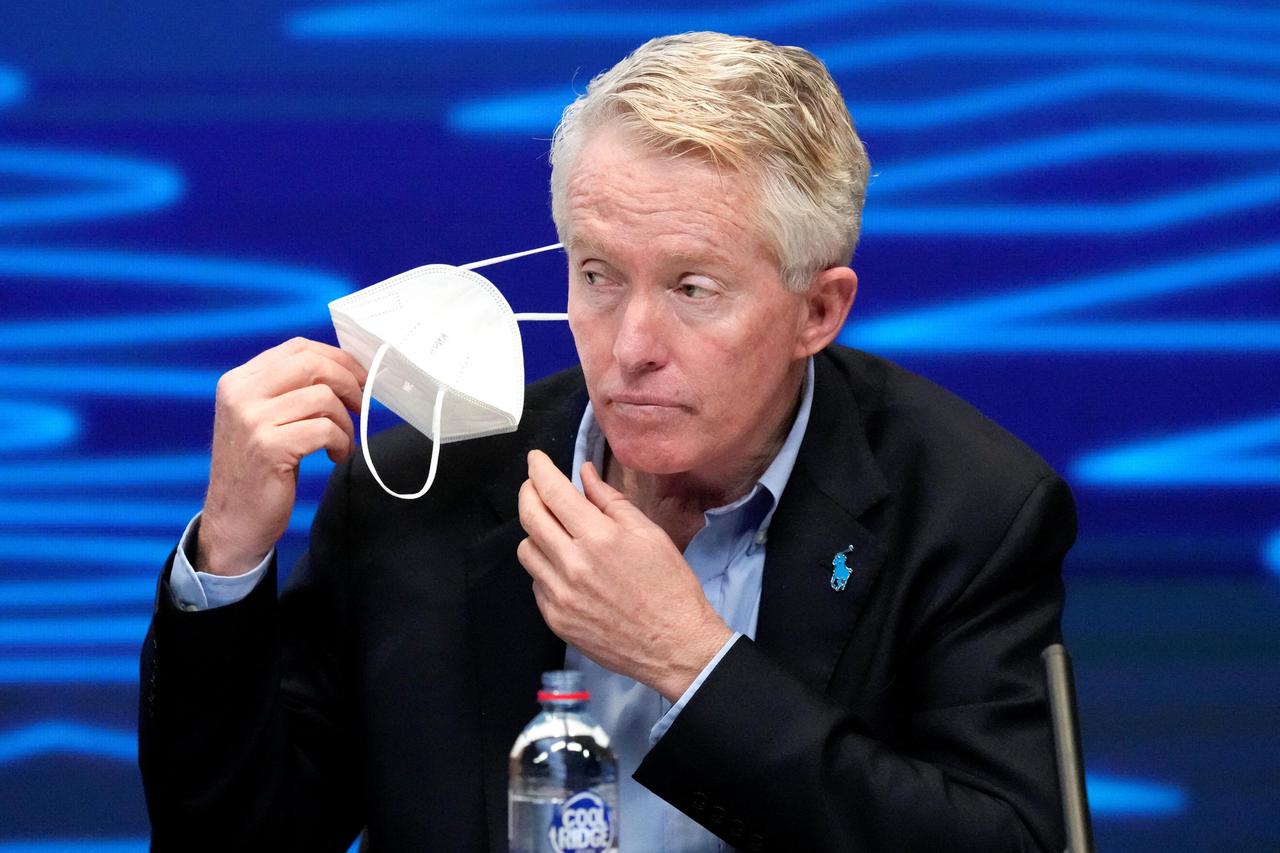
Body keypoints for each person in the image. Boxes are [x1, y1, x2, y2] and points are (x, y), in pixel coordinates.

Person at [139, 32, 1076, 853]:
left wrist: (690, 661)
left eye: (692, 289)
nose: (630, 347)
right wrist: (227, 556)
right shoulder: (420, 492)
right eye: (598, 275)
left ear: (817, 310)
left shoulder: (966, 508)